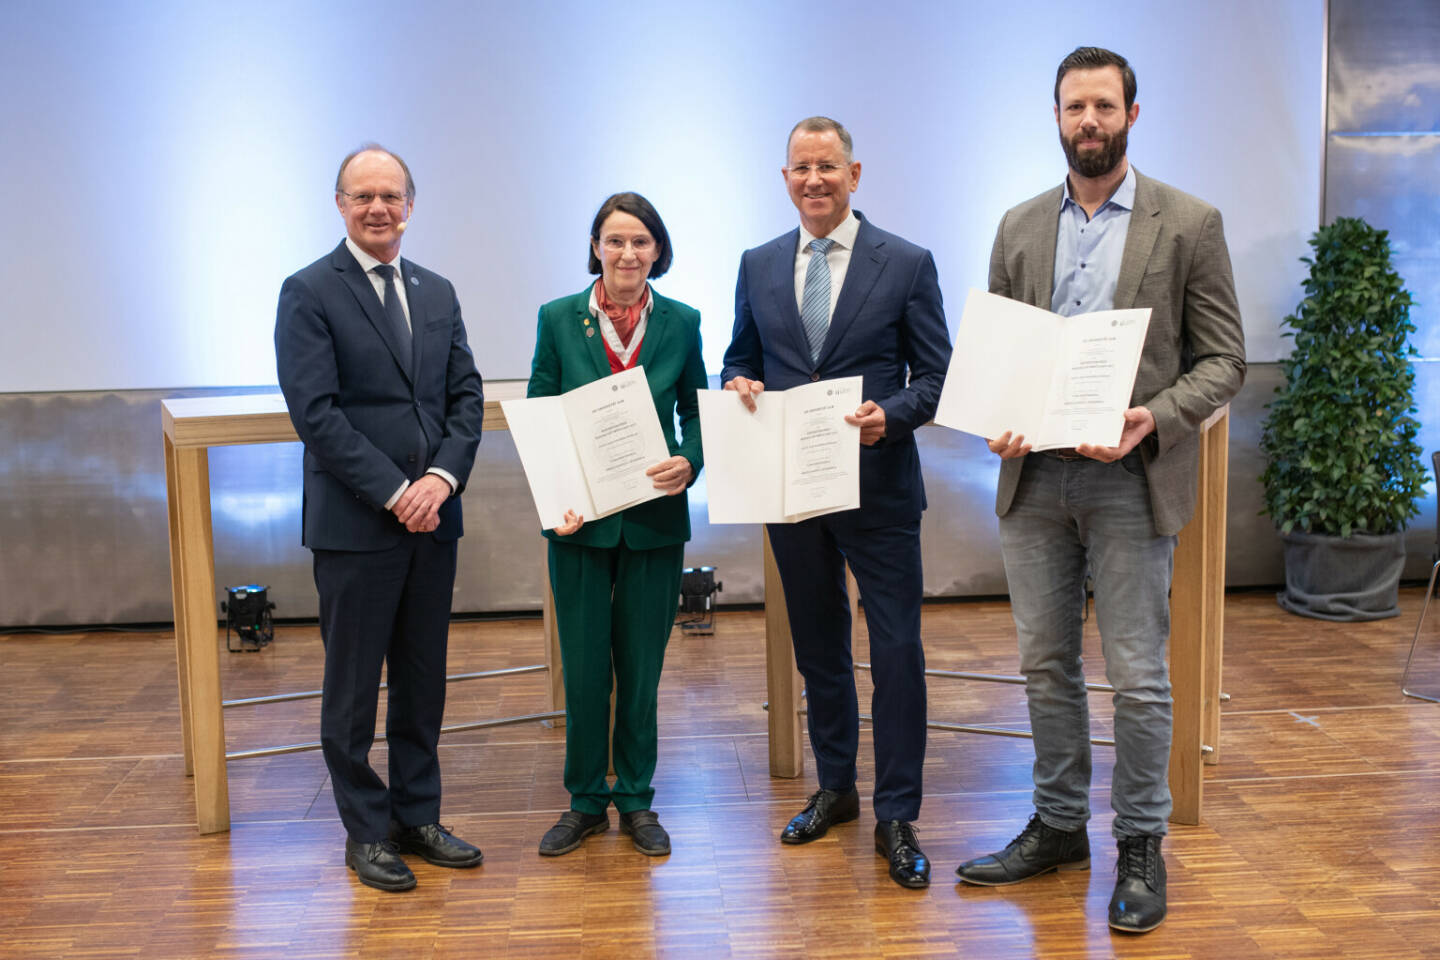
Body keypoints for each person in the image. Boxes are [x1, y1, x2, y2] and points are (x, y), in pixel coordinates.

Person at [953, 48, 1246, 933]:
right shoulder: (1017, 225)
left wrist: (1149, 418)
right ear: (1054, 115)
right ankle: (1058, 827)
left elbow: (1225, 361)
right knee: (1045, 666)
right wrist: (998, 413)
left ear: (1132, 114)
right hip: (1034, 478)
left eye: (1105, 106)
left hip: (1130, 480)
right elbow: (1002, 353)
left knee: (1139, 678)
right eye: (1076, 106)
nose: (1091, 120)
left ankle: (1143, 845)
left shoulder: (1188, 223)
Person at [721, 117, 952, 889]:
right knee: (819, 650)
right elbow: (741, 357)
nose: (814, 179)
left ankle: (897, 814)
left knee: (895, 654)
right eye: (800, 167)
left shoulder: (907, 261)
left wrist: (894, 415)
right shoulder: (756, 264)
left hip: (878, 485)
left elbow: (937, 374)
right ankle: (836, 790)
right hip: (791, 489)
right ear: (783, 177)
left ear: (855, 174)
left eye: (828, 166)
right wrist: (738, 385)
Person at [275, 144, 486, 892]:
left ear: (410, 205)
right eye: (362, 196)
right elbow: (318, 416)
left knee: (424, 681)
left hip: (435, 520)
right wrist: (398, 491)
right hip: (359, 525)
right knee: (354, 688)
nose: (378, 208)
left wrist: (439, 479)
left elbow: (466, 399)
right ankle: (365, 832)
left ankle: (417, 815)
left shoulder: (437, 290)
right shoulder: (308, 291)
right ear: (340, 205)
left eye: (390, 196)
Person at [528, 192, 706, 858]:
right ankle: (582, 801)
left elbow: (696, 411)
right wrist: (556, 497)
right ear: (595, 247)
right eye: (614, 240)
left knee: (641, 669)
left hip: (654, 521)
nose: (627, 253)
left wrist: (691, 459)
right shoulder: (556, 318)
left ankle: (634, 798)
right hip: (579, 523)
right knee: (582, 669)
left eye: (640, 241)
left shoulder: (682, 322)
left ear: (657, 250)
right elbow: (543, 408)